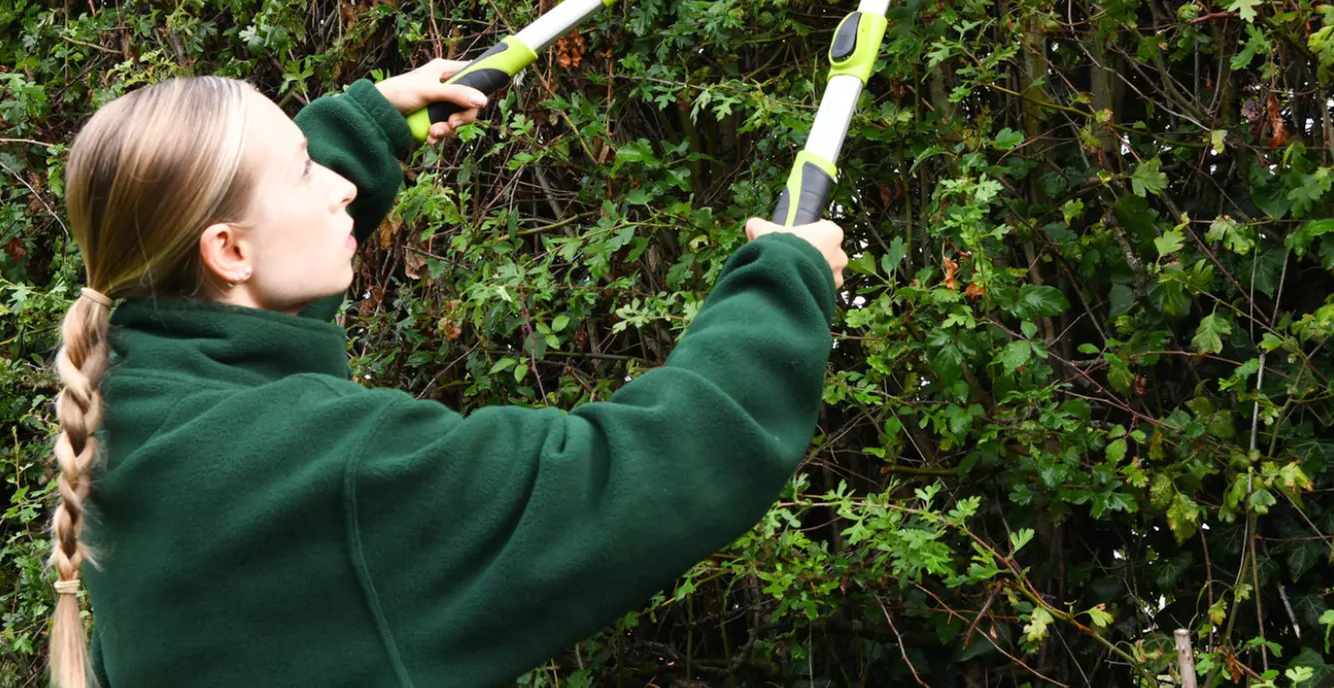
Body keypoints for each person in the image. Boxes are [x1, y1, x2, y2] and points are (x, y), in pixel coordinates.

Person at [46, 60, 848, 687]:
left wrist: (363, 124)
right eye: (305, 170)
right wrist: (786, 280)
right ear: (227, 250)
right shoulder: (327, 469)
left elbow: (241, 307)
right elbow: (645, 469)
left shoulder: (132, 406)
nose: (341, 187)